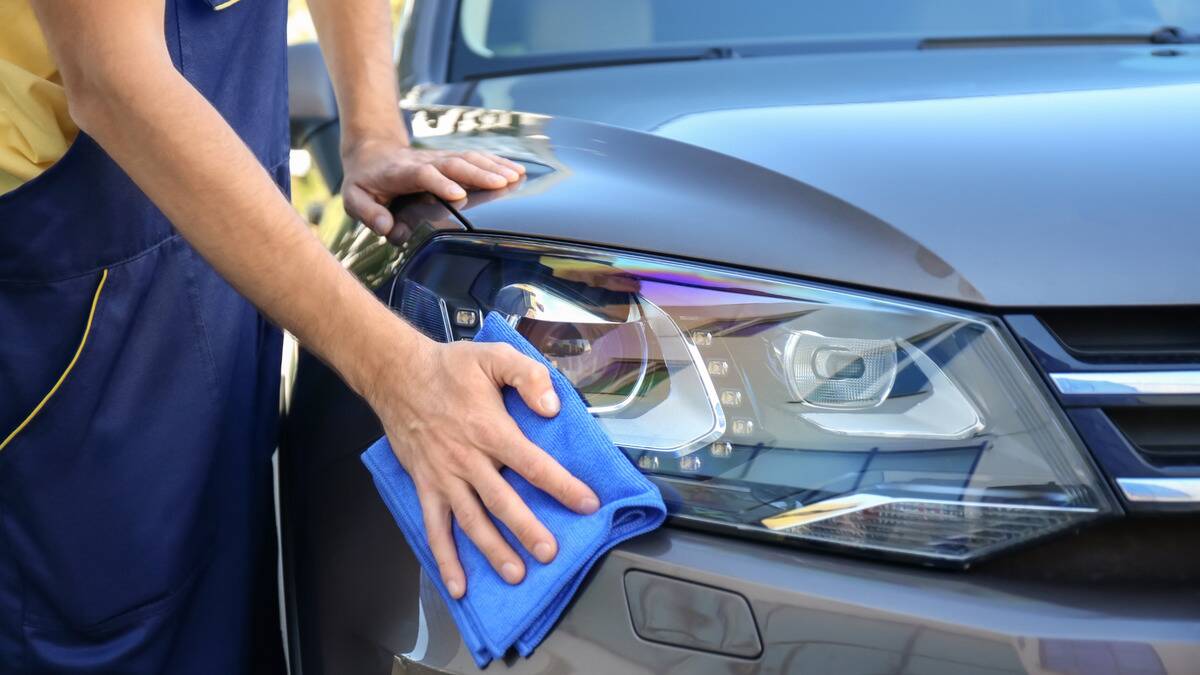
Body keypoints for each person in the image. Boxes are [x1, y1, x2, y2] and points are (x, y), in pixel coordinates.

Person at [0, 0, 598, 671]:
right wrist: (399, 373)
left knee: (226, 613)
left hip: (229, 261)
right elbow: (113, 80)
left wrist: (372, 130)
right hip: (76, 308)